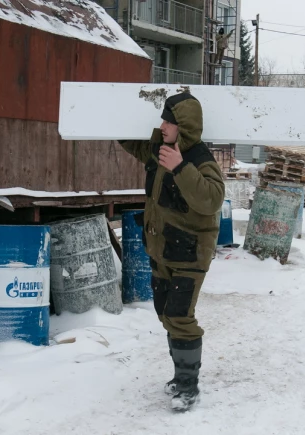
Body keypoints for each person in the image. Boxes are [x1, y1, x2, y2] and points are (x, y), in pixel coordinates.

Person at [118, 93, 225, 411]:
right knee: (165, 312)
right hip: (163, 248)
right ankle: (180, 377)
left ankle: (188, 387)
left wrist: (181, 168)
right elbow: (136, 147)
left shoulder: (200, 159)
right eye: (163, 119)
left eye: (169, 121)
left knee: (180, 316)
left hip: (190, 252)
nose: (162, 125)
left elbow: (212, 198)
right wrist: (111, 118)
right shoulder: (160, 151)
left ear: (184, 127)